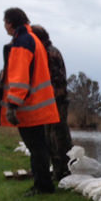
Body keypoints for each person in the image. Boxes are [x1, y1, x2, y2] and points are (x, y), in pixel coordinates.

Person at [0, 7, 60, 196]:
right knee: (39, 147)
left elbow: (20, 77)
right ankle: (42, 184)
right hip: (38, 104)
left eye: (4, 22)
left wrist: (12, 105)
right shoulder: (33, 40)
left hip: (29, 107)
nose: (4, 27)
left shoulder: (22, 42)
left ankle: (43, 187)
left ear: (10, 22)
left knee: (36, 148)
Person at [31, 24, 73, 183]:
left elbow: (57, 82)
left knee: (58, 137)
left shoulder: (50, 54)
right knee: (51, 137)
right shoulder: (46, 52)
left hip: (57, 102)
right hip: (51, 102)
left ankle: (64, 171)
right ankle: (58, 171)